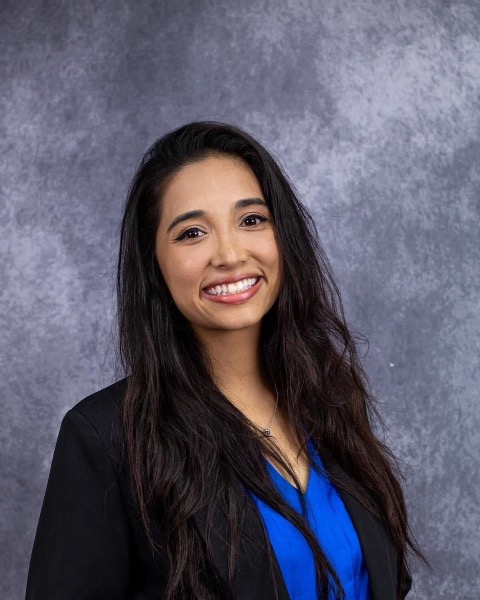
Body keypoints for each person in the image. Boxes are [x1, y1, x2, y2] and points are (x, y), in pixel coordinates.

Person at [26, 121, 421, 600]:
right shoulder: (107, 436)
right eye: (192, 233)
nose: (230, 254)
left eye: (251, 220)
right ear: (154, 264)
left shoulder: (328, 397)